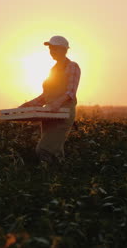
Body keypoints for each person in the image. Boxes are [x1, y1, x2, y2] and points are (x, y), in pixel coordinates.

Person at [19, 35, 81, 165]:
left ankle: (46, 178)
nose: (52, 52)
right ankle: (60, 179)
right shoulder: (53, 70)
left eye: (55, 49)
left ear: (64, 50)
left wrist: (57, 103)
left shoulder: (72, 66)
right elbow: (45, 96)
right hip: (50, 115)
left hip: (63, 114)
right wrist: (27, 105)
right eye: (50, 49)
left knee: (44, 149)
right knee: (56, 151)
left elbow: (70, 92)